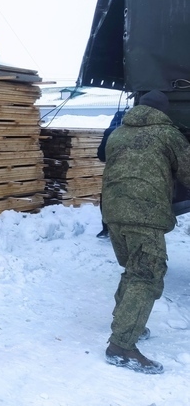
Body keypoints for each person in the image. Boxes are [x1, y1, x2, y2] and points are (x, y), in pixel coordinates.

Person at [101, 89, 190, 374]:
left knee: (133, 269)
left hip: (112, 212)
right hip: (145, 214)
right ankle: (121, 346)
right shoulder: (168, 134)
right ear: (164, 112)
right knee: (147, 275)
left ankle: (126, 325)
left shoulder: (118, 134)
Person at [96, 109, 125, 238]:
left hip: (112, 173)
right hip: (134, 175)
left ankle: (107, 229)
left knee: (108, 201)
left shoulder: (110, 132)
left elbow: (101, 155)